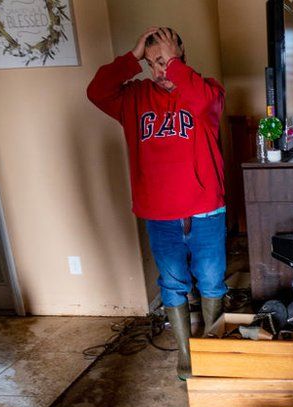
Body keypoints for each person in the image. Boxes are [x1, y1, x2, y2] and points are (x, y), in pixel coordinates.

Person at [87, 28, 227, 380]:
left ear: (182, 56)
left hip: (205, 209)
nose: (160, 71)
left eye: (166, 61)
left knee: (211, 282)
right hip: (160, 215)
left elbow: (202, 103)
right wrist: (131, 60)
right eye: (153, 64)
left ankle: (212, 348)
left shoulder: (206, 89)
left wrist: (175, 65)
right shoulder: (133, 98)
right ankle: (185, 353)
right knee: (172, 282)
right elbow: (96, 91)